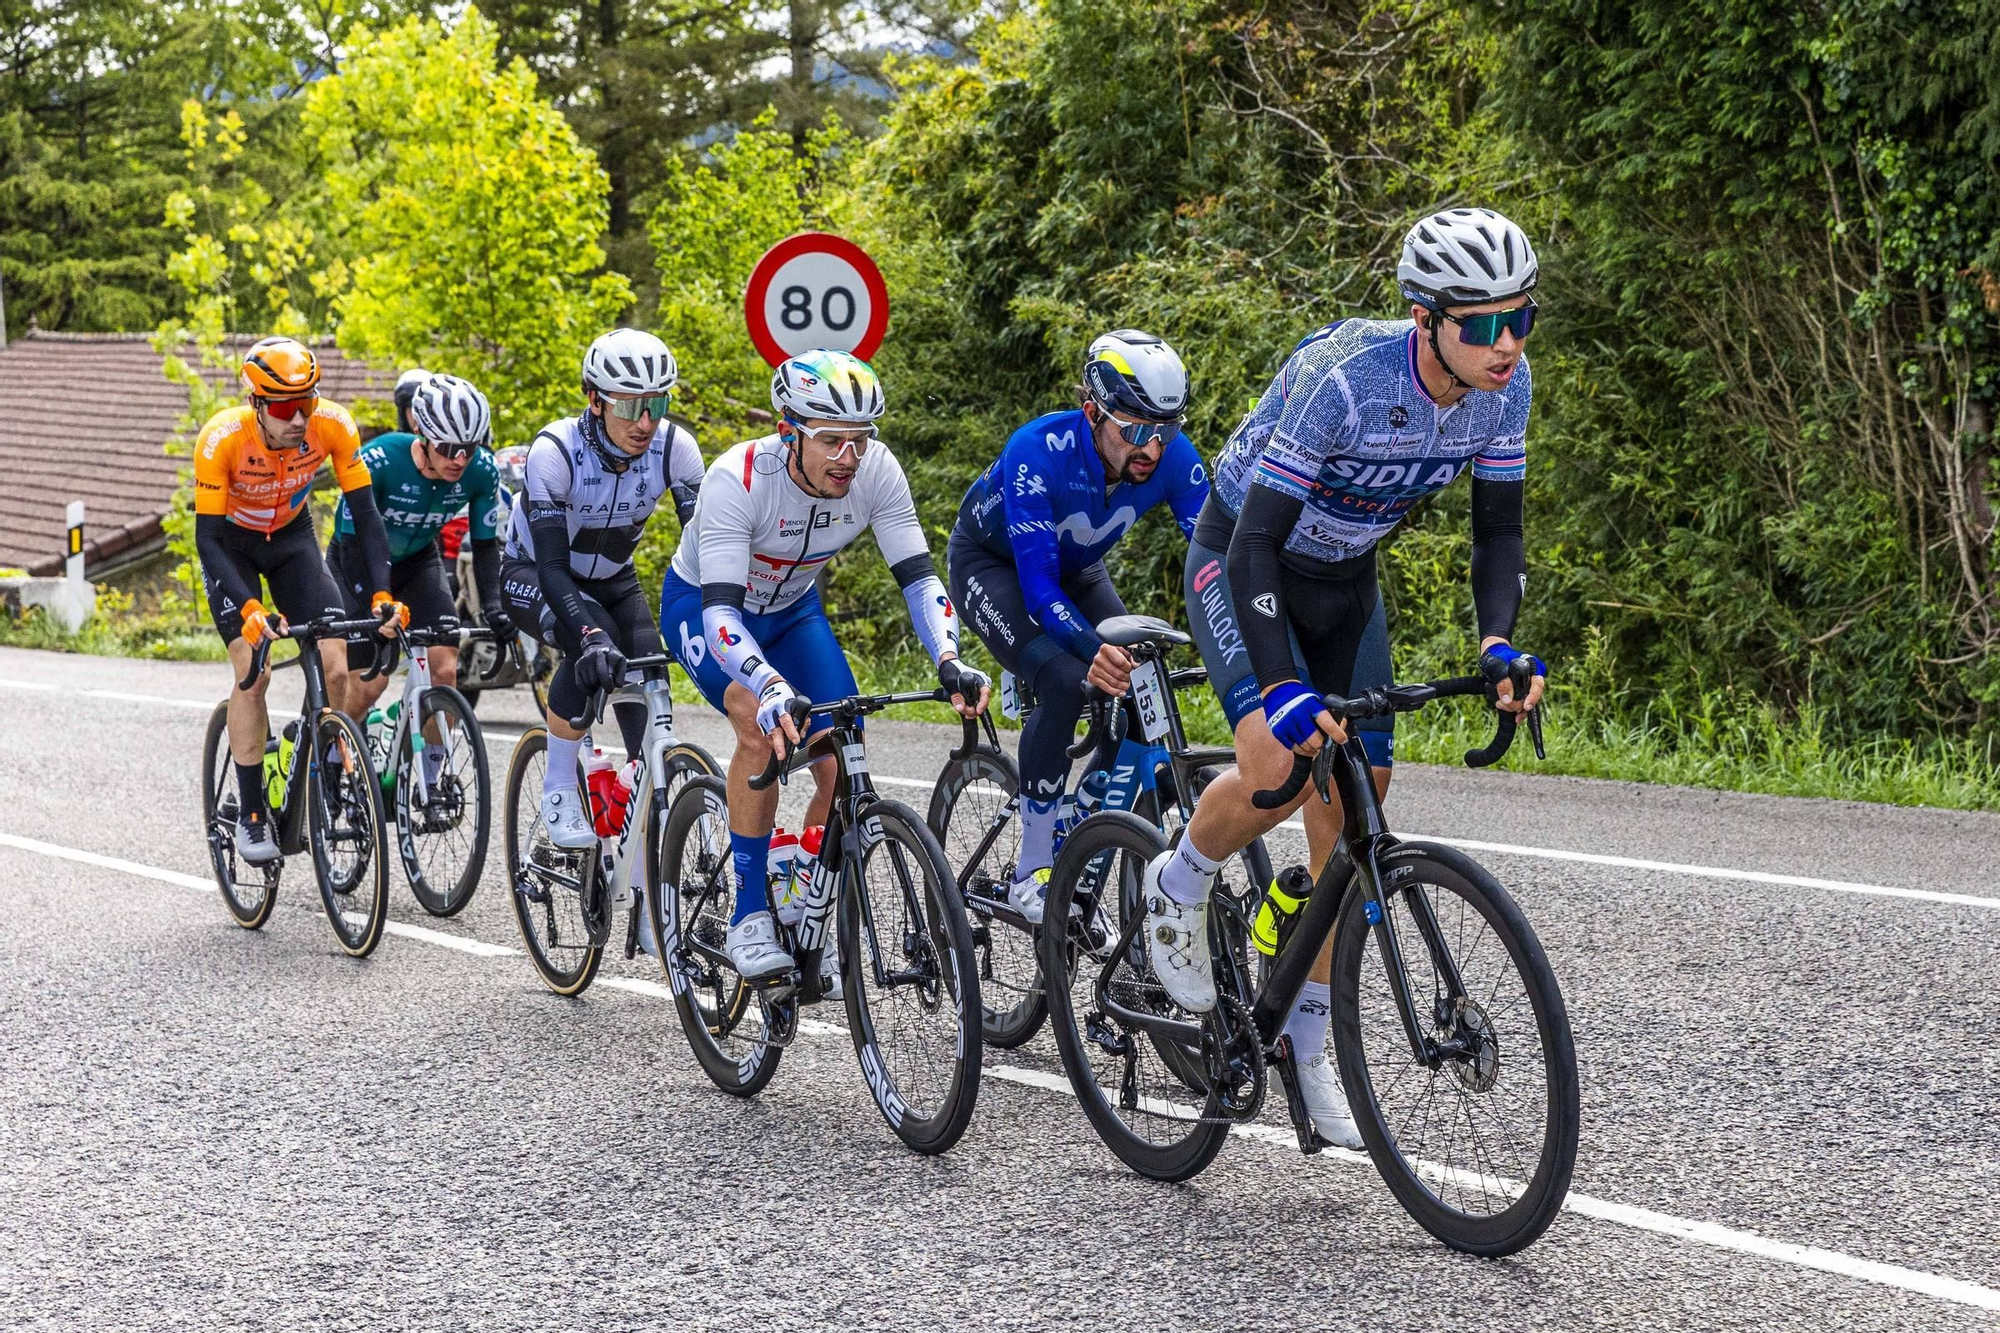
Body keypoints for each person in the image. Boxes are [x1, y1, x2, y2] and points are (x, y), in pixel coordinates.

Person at [1151, 207, 1549, 1148]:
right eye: (1483, 324)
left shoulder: (1507, 390)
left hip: (1343, 577)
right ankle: (1183, 875)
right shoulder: (1347, 381)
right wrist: (1281, 690)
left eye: (1521, 318)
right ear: (1425, 317)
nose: (1506, 344)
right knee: (1279, 768)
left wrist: (1497, 644)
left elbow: (1498, 533)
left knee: (1360, 783)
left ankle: (1309, 1031)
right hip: (1245, 559)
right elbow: (1252, 543)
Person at [660, 349, 989, 983]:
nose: (849, 457)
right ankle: (749, 912)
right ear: (789, 432)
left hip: (792, 610)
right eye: (832, 440)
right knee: (760, 723)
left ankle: (808, 891)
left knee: (843, 748)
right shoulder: (739, 479)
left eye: (860, 439)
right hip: (706, 608)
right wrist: (768, 684)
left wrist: (949, 658)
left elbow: (920, 579)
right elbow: (721, 616)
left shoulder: (876, 472)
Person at [947, 330, 1208, 924]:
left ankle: (1086, 821)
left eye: (1165, 429)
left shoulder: (1174, 457)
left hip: (1080, 568)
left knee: (1140, 685)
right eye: (1135, 429)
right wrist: (1092, 650)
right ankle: (1031, 869)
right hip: (996, 569)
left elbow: (1216, 558)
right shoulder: (1037, 450)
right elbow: (1039, 590)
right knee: (1069, 678)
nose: (1152, 447)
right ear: (1093, 412)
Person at [193, 336, 403, 864]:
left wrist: (382, 592)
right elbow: (208, 541)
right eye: (285, 407)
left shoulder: (334, 425)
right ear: (256, 404)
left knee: (336, 671)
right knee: (254, 670)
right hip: (232, 547)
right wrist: (248, 609)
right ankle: (252, 813)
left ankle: (324, 767)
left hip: (291, 540)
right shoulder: (221, 440)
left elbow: (368, 513)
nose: (299, 418)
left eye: (306, 403)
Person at [499, 328, 704, 847]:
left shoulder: (675, 449)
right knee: (595, 648)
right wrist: (586, 633)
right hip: (537, 576)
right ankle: (560, 786)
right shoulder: (555, 451)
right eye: (631, 405)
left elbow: (707, 550)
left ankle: (646, 798)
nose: (646, 421)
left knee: (649, 670)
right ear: (594, 399)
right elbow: (551, 568)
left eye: (657, 403)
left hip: (616, 578)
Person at [328, 374, 510, 758]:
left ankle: (430, 782)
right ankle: (331, 754)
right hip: (356, 562)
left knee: (445, 670)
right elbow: (350, 541)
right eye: (447, 448)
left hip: (416, 562)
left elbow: (485, 545)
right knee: (369, 682)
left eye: (469, 448)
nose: (459, 460)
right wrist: (377, 602)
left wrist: (493, 605)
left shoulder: (482, 471)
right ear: (421, 433)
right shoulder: (378, 460)